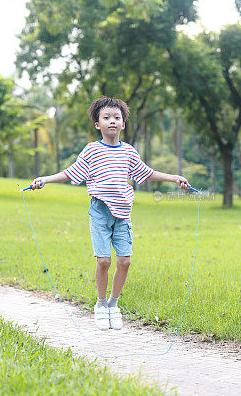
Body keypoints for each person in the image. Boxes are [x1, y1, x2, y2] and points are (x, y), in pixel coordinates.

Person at [30, 95, 191, 331]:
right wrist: (45, 179)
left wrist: (174, 177)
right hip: (100, 211)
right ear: (98, 124)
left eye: (117, 117)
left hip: (123, 213)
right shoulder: (92, 151)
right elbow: (72, 172)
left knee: (124, 261)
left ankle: (113, 305)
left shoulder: (128, 152)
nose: (112, 121)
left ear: (124, 123)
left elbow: (146, 172)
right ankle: (101, 303)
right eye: (106, 118)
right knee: (104, 261)